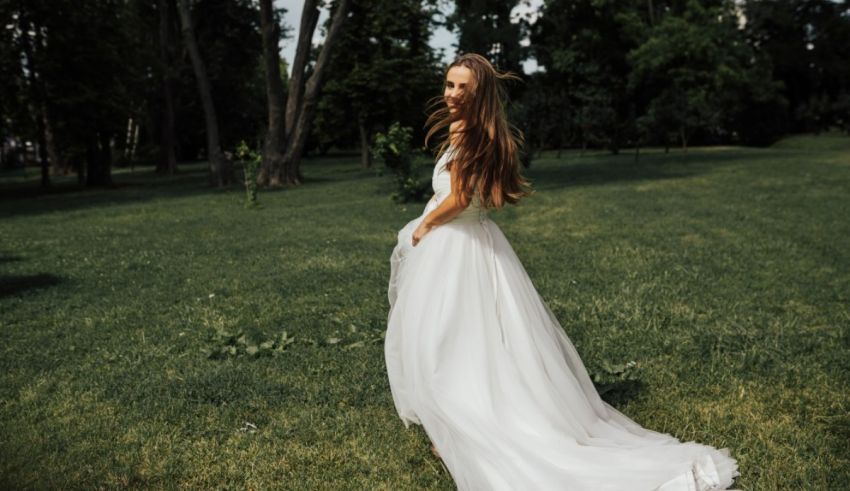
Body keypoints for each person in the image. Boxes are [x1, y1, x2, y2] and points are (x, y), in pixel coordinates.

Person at [384, 53, 739, 491]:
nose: (452, 94)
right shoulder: (472, 131)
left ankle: (472, 424)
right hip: (471, 241)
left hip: (459, 244)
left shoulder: (475, 135)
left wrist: (426, 225)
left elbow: (460, 199)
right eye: (449, 84)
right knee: (460, 336)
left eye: (463, 88)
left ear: (480, 95)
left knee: (450, 337)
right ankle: (454, 424)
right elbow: (479, 198)